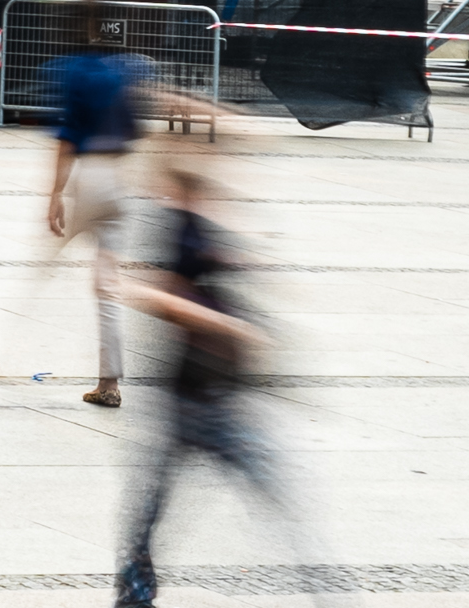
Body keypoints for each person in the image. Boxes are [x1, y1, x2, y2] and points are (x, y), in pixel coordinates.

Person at [114, 152, 304, 608]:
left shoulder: (192, 225)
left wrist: (245, 265)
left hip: (203, 390)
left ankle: (134, 593)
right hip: (196, 393)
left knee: (153, 505)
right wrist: (232, 327)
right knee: (275, 501)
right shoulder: (177, 227)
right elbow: (165, 298)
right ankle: (134, 593)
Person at [43, 0, 155, 407]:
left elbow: (66, 138)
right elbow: (139, 127)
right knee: (107, 283)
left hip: (88, 176)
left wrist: (54, 194)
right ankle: (109, 381)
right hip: (120, 178)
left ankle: (5, 348)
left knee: (42, 266)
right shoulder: (135, 67)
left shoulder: (70, 69)